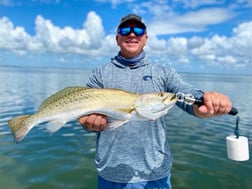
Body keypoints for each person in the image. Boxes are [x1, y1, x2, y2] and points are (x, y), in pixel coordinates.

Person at [78, 13, 232, 189]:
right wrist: (87, 122)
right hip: (110, 173)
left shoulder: (163, 72)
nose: (132, 34)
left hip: (155, 173)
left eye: (138, 29)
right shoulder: (100, 74)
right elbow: (83, 113)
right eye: (125, 29)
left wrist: (205, 99)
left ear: (145, 38)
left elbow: (184, 93)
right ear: (117, 38)